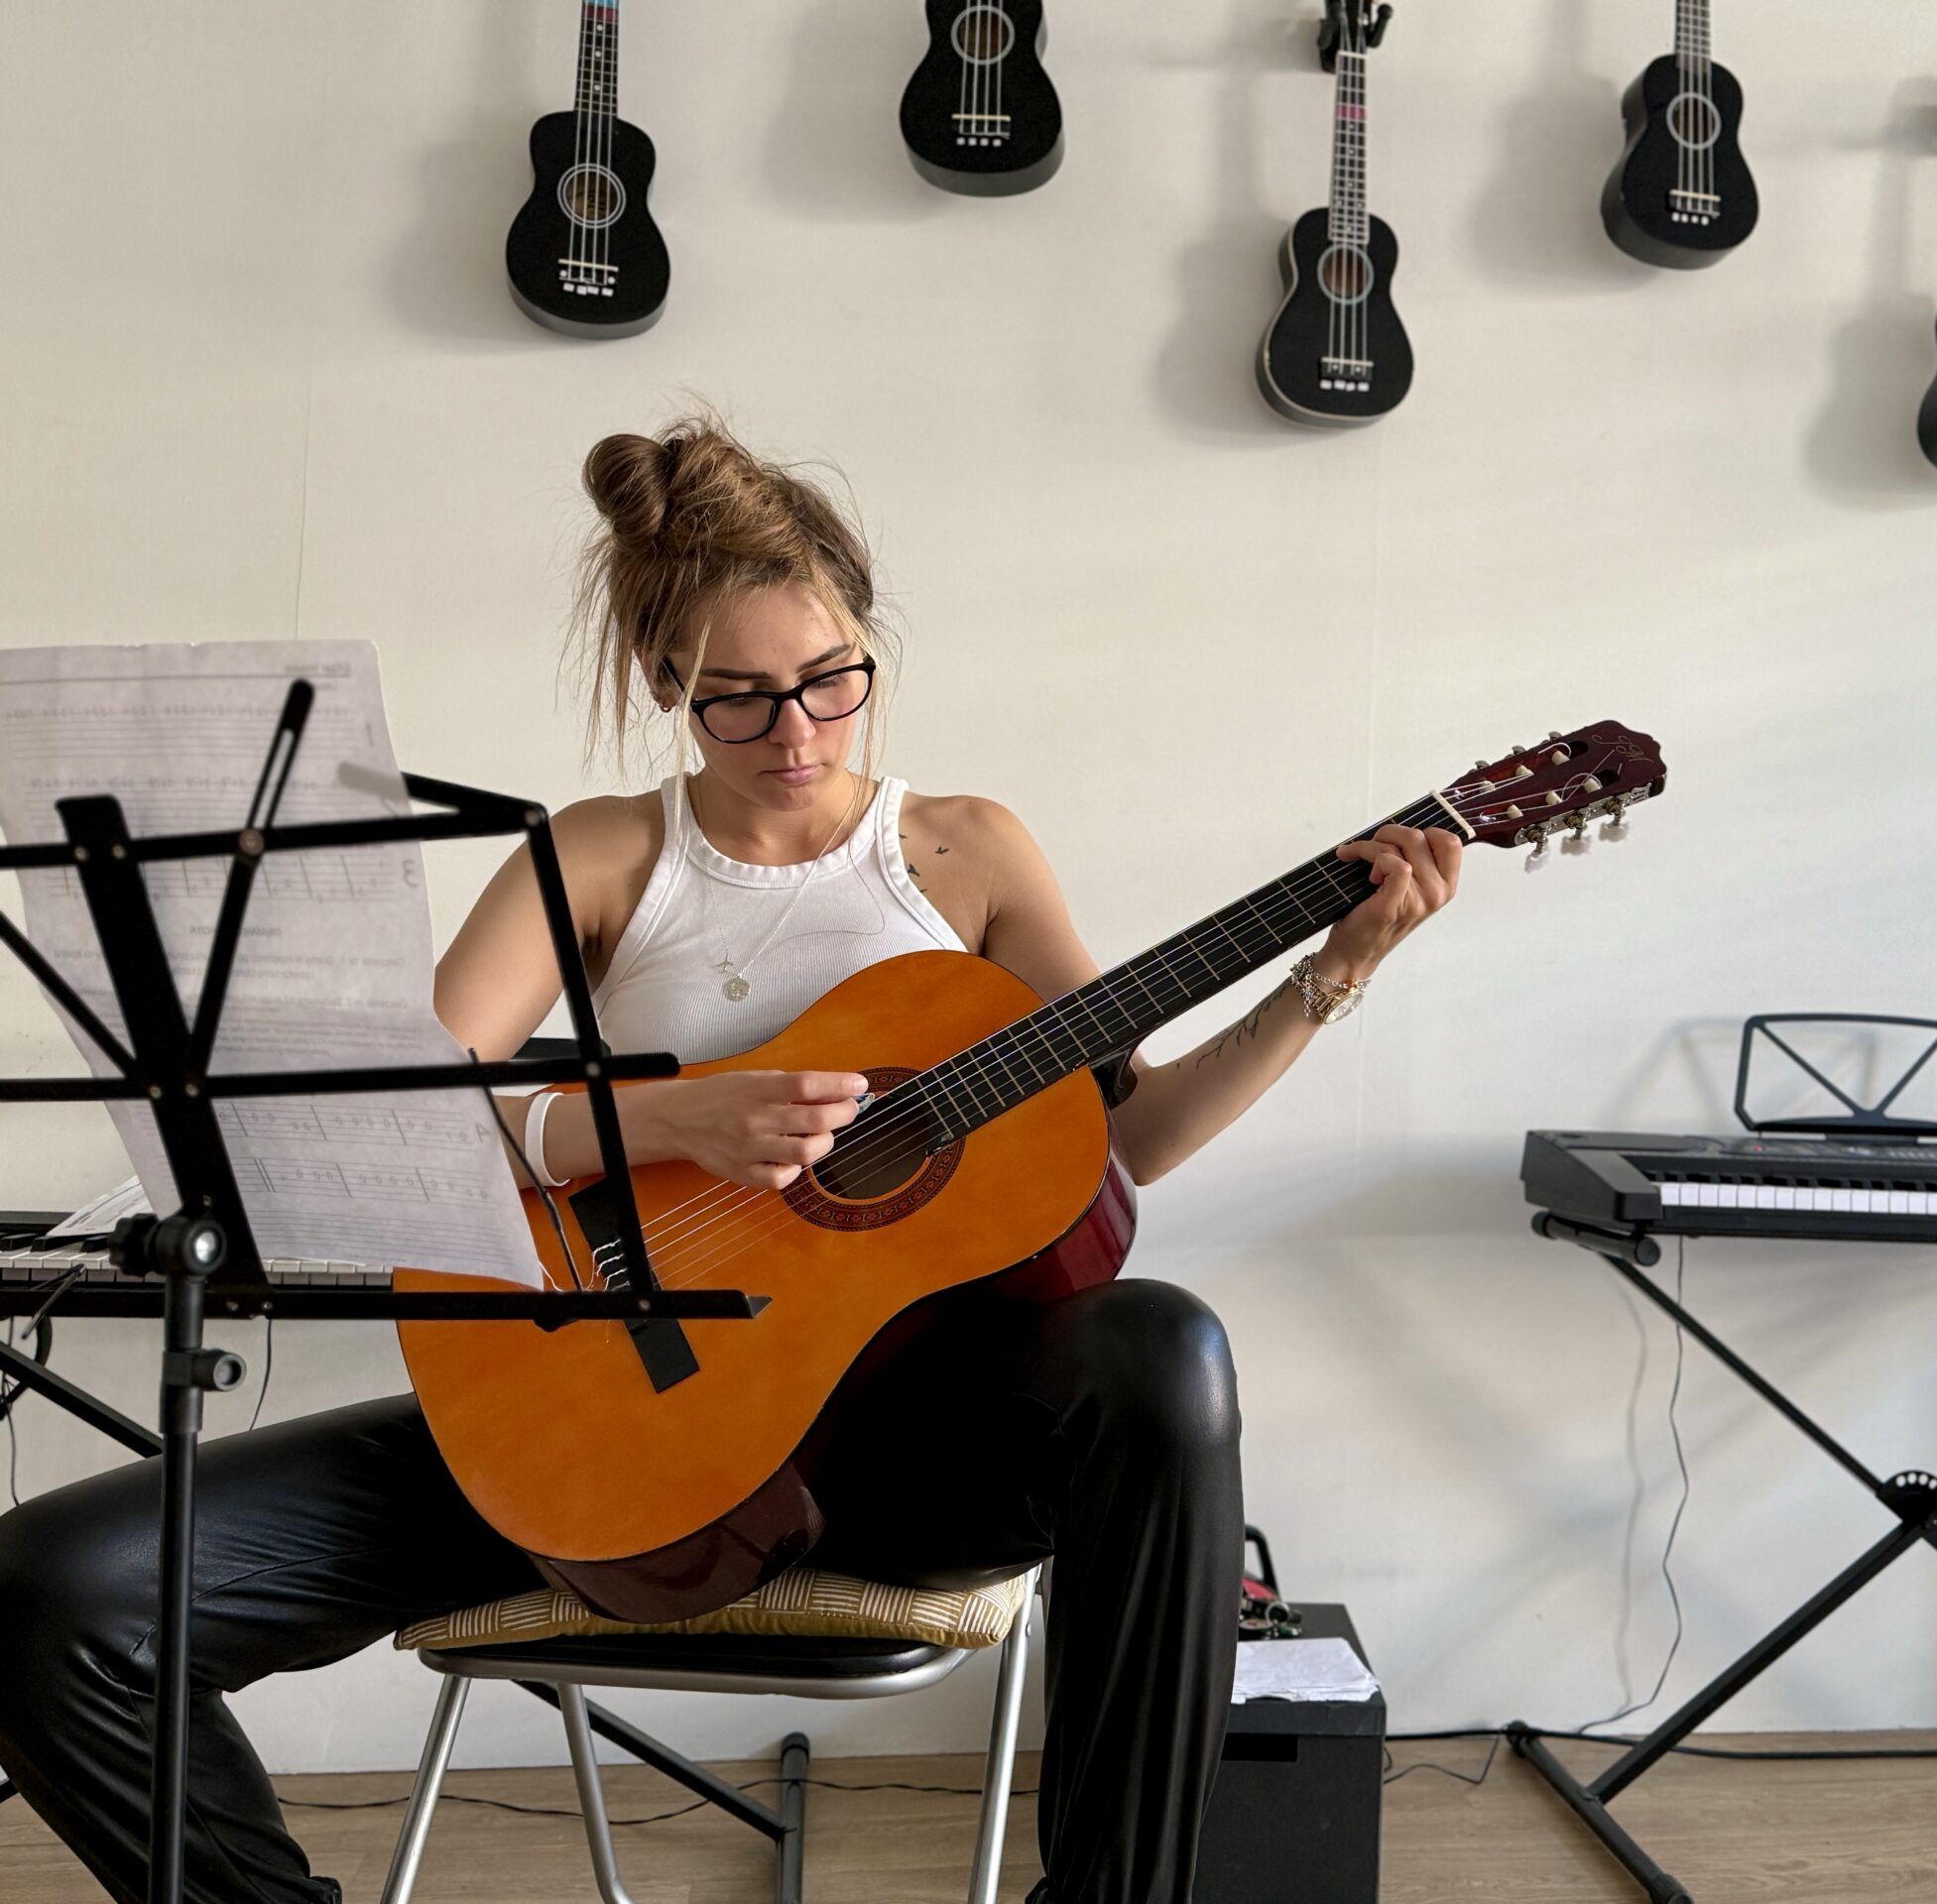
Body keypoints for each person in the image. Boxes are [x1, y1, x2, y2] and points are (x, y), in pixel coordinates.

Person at [0, 416, 1463, 1904]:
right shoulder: (600, 855)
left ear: (867, 642)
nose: (799, 733)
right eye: (741, 700)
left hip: (908, 1448)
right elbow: (400, 1111)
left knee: (1161, 1346)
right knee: (49, 1591)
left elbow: (1124, 1139)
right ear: (665, 685)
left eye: (832, 681)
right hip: (613, 1416)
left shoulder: (970, 854)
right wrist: (664, 1120)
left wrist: (1327, 979)